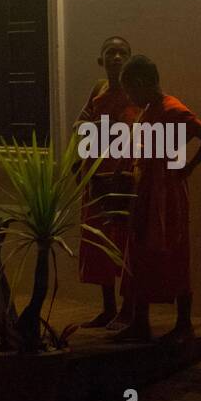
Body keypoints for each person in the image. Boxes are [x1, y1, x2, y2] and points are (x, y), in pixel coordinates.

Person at [112, 55, 201, 345]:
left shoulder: (173, 108)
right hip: (145, 190)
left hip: (167, 193)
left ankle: (184, 324)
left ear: (141, 83)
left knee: (175, 251)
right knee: (138, 251)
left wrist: (189, 166)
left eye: (130, 90)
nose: (130, 97)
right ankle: (140, 321)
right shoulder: (148, 109)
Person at [74, 36, 138, 328]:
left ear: (129, 58)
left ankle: (130, 307)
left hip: (123, 174)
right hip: (97, 171)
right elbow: (80, 122)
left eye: (121, 53)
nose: (116, 57)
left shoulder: (136, 93)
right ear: (101, 60)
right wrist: (93, 128)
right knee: (99, 240)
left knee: (125, 239)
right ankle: (108, 307)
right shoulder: (99, 89)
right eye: (110, 52)